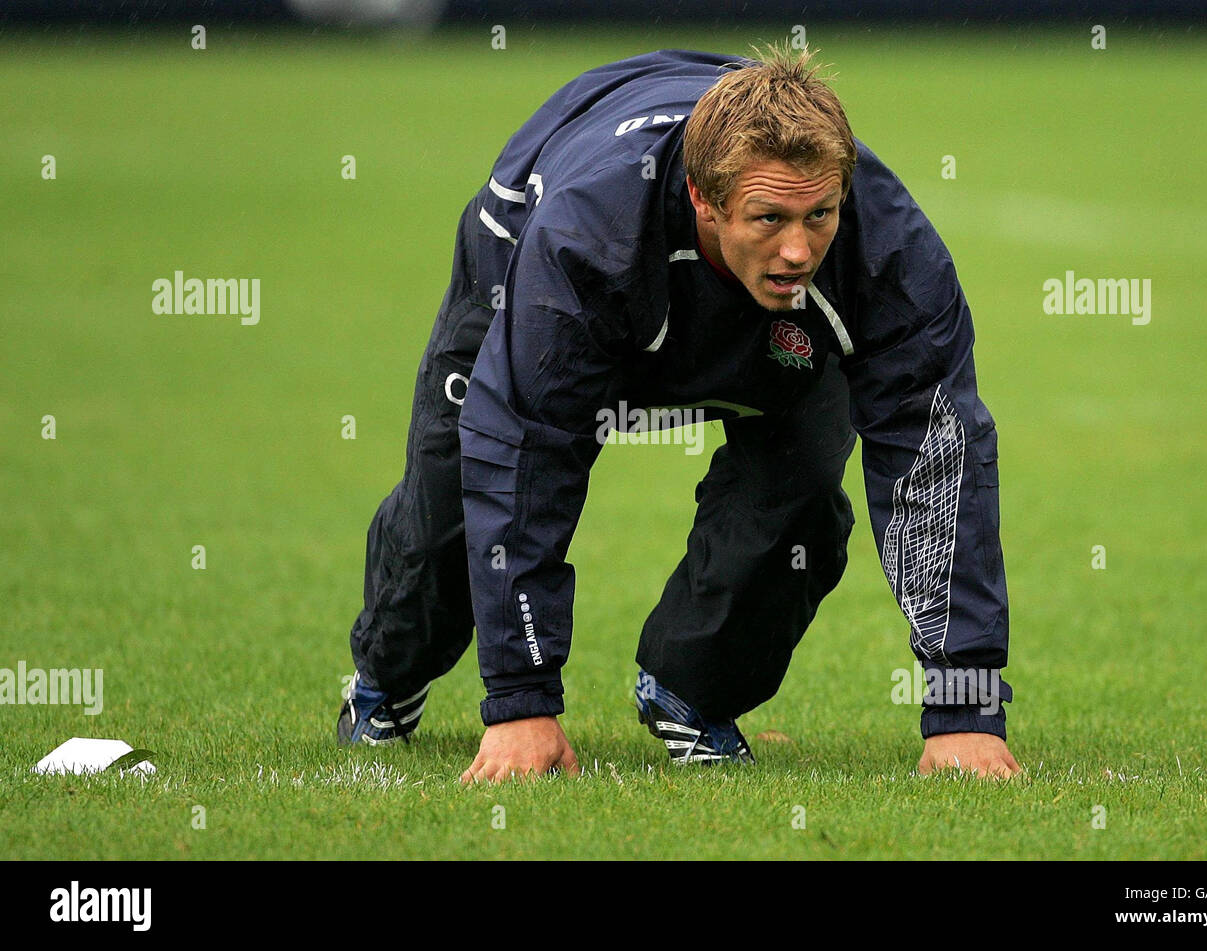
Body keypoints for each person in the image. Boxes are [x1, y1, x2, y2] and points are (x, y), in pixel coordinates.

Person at [336, 46, 1022, 782]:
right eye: (769, 217)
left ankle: (689, 688)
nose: (798, 248)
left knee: (805, 491)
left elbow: (938, 460)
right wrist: (520, 702)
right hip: (538, 257)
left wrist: (964, 708)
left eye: (818, 214)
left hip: (772, 334)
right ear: (704, 198)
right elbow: (524, 453)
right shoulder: (581, 244)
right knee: (455, 500)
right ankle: (387, 674)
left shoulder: (888, 250)